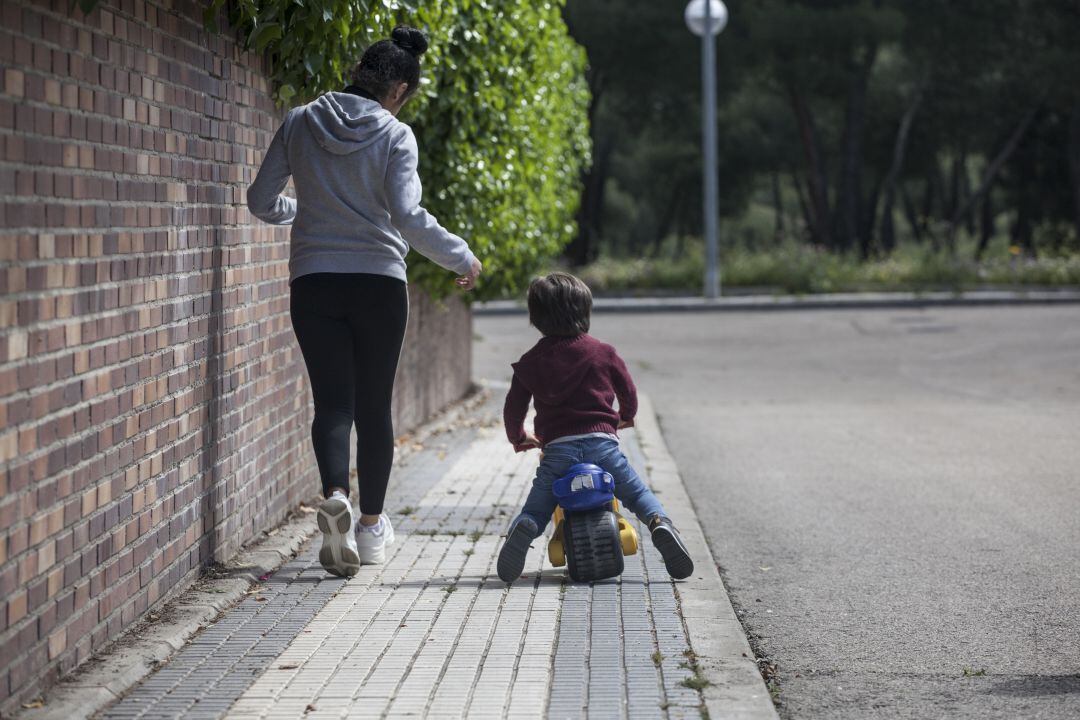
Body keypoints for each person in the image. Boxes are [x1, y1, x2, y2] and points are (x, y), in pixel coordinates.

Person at [247, 27, 483, 577]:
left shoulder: (300, 121)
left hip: (314, 281)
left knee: (332, 405)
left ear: (359, 70)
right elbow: (406, 215)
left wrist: (303, 217)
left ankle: (336, 495)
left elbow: (261, 200)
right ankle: (372, 529)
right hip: (378, 282)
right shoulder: (396, 135)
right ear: (399, 88)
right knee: (375, 408)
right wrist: (460, 256)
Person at [497, 272, 694, 583]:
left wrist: (519, 437)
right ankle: (659, 523)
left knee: (538, 506)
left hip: (558, 450)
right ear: (584, 312)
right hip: (603, 446)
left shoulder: (530, 362)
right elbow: (627, 388)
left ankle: (525, 529)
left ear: (535, 318)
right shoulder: (603, 352)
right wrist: (626, 415)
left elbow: (514, 407)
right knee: (636, 492)